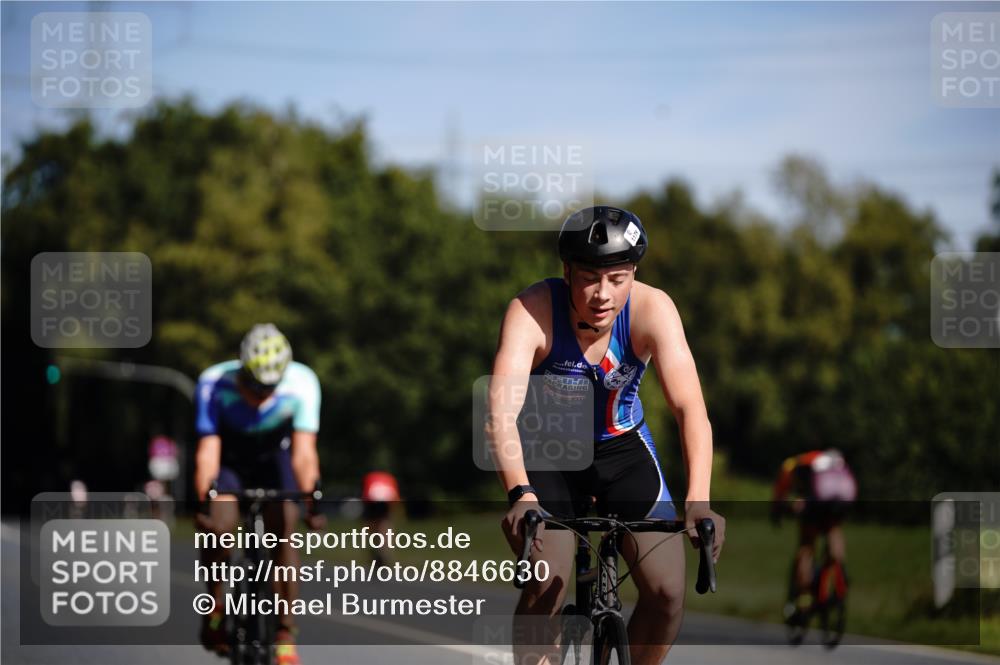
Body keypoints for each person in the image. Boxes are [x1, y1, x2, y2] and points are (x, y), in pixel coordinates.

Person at [490, 206, 726, 664]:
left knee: (667, 592)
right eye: (588, 278)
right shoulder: (532, 309)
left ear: (633, 273)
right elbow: (500, 410)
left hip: (623, 450)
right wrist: (520, 493)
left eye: (617, 279)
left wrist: (699, 498)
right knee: (548, 583)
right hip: (548, 452)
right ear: (566, 272)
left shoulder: (653, 308)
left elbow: (690, 407)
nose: (602, 294)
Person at [194, 323, 324, 665]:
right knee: (218, 527)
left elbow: (304, 453)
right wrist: (204, 501)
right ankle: (216, 608)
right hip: (230, 460)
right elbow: (208, 451)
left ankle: (284, 631)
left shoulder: (303, 383)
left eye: (269, 388)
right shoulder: (212, 383)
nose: (260, 395)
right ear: (241, 368)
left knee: (285, 529)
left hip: (273, 458)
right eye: (253, 385)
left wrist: (312, 498)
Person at [772, 448, 857, 618]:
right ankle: (837, 563)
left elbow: (781, 493)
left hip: (816, 504)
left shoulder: (791, 464)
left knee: (806, 546)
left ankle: (804, 596)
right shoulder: (835, 463)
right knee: (833, 529)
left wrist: (778, 511)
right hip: (841, 501)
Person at [361, 470, 401, 566]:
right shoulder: (389, 478)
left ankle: (377, 548)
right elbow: (395, 500)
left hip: (372, 501)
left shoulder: (370, 477)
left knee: (372, 525)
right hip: (384, 501)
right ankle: (385, 551)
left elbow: (364, 497)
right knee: (385, 525)